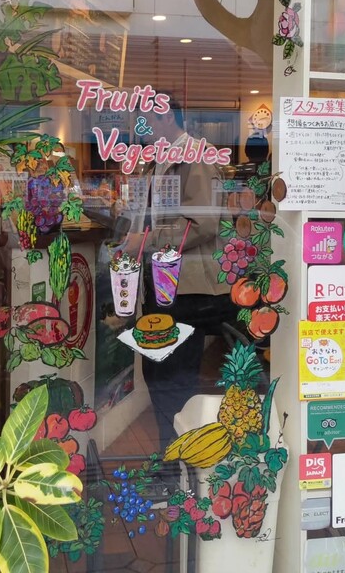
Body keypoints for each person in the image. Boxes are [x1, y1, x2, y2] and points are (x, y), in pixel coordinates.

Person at [121, 94, 238, 452]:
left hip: (187, 288)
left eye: (146, 122)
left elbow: (202, 224)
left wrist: (146, 240)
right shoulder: (157, 162)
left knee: (173, 376)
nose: (141, 130)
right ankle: (171, 455)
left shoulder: (196, 158)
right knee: (158, 371)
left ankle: (177, 458)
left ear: (168, 118)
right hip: (163, 283)